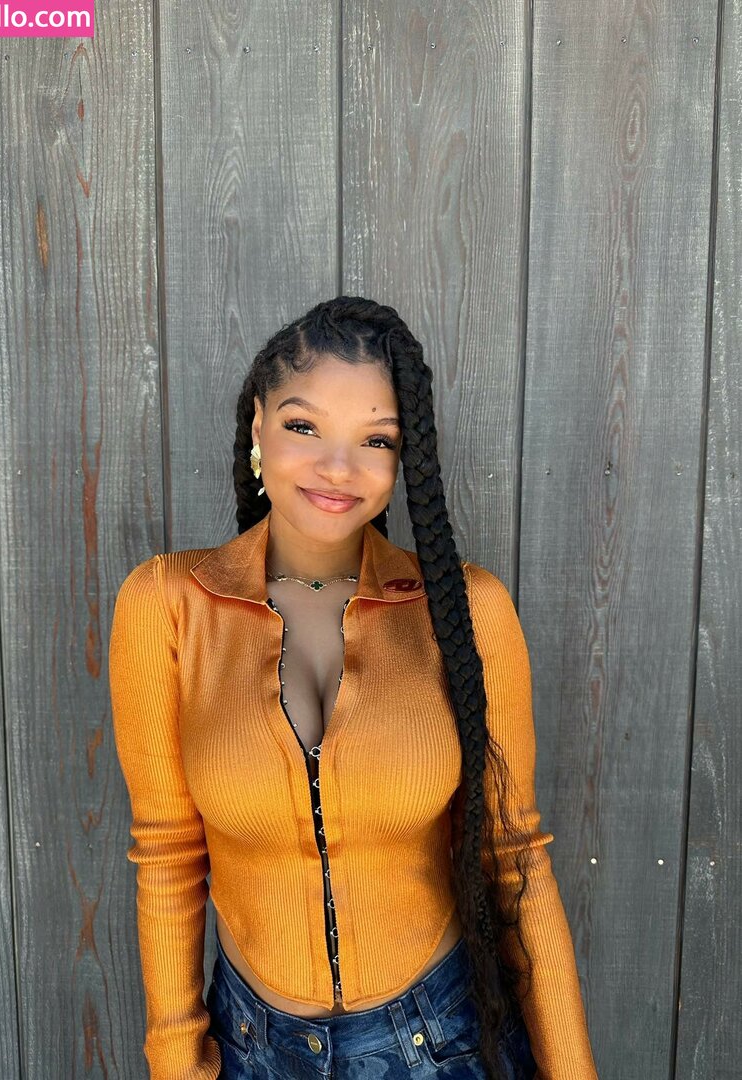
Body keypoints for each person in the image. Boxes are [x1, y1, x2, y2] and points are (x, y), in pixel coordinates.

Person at [109, 296, 598, 1079]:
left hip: (438, 1043)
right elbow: (167, 854)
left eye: (376, 439)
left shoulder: (467, 610)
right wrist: (176, 1062)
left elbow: (516, 859)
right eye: (304, 426)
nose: (339, 467)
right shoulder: (166, 604)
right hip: (251, 1049)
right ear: (258, 425)